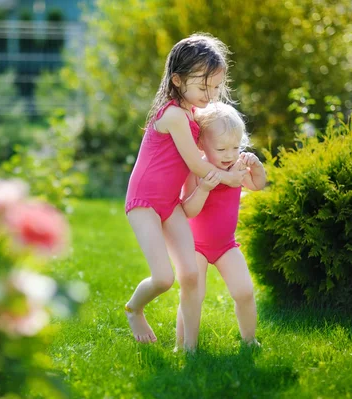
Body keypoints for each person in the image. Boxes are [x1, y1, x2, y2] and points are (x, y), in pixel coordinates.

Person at [124, 33, 247, 351]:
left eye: (217, 86)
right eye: (204, 86)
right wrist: (230, 179)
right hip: (145, 203)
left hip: (170, 204)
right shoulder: (174, 115)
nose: (212, 94)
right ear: (177, 80)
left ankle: (189, 347)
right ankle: (134, 309)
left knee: (190, 275)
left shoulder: (193, 114)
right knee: (164, 277)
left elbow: (212, 146)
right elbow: (196, 164)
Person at [176, 102, 266, 349]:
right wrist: (205, 187)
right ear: (201, 144)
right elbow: (188, 210)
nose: (229, 154)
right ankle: (185, 345)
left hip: (226, 245)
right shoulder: (196, 170)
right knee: (193, 296)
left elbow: (258, 184)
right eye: (222, 148)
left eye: (235, 147)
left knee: (245, 292)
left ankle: (250, 340)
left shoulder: (237, 167)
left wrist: (256, 167)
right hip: (196, 247)